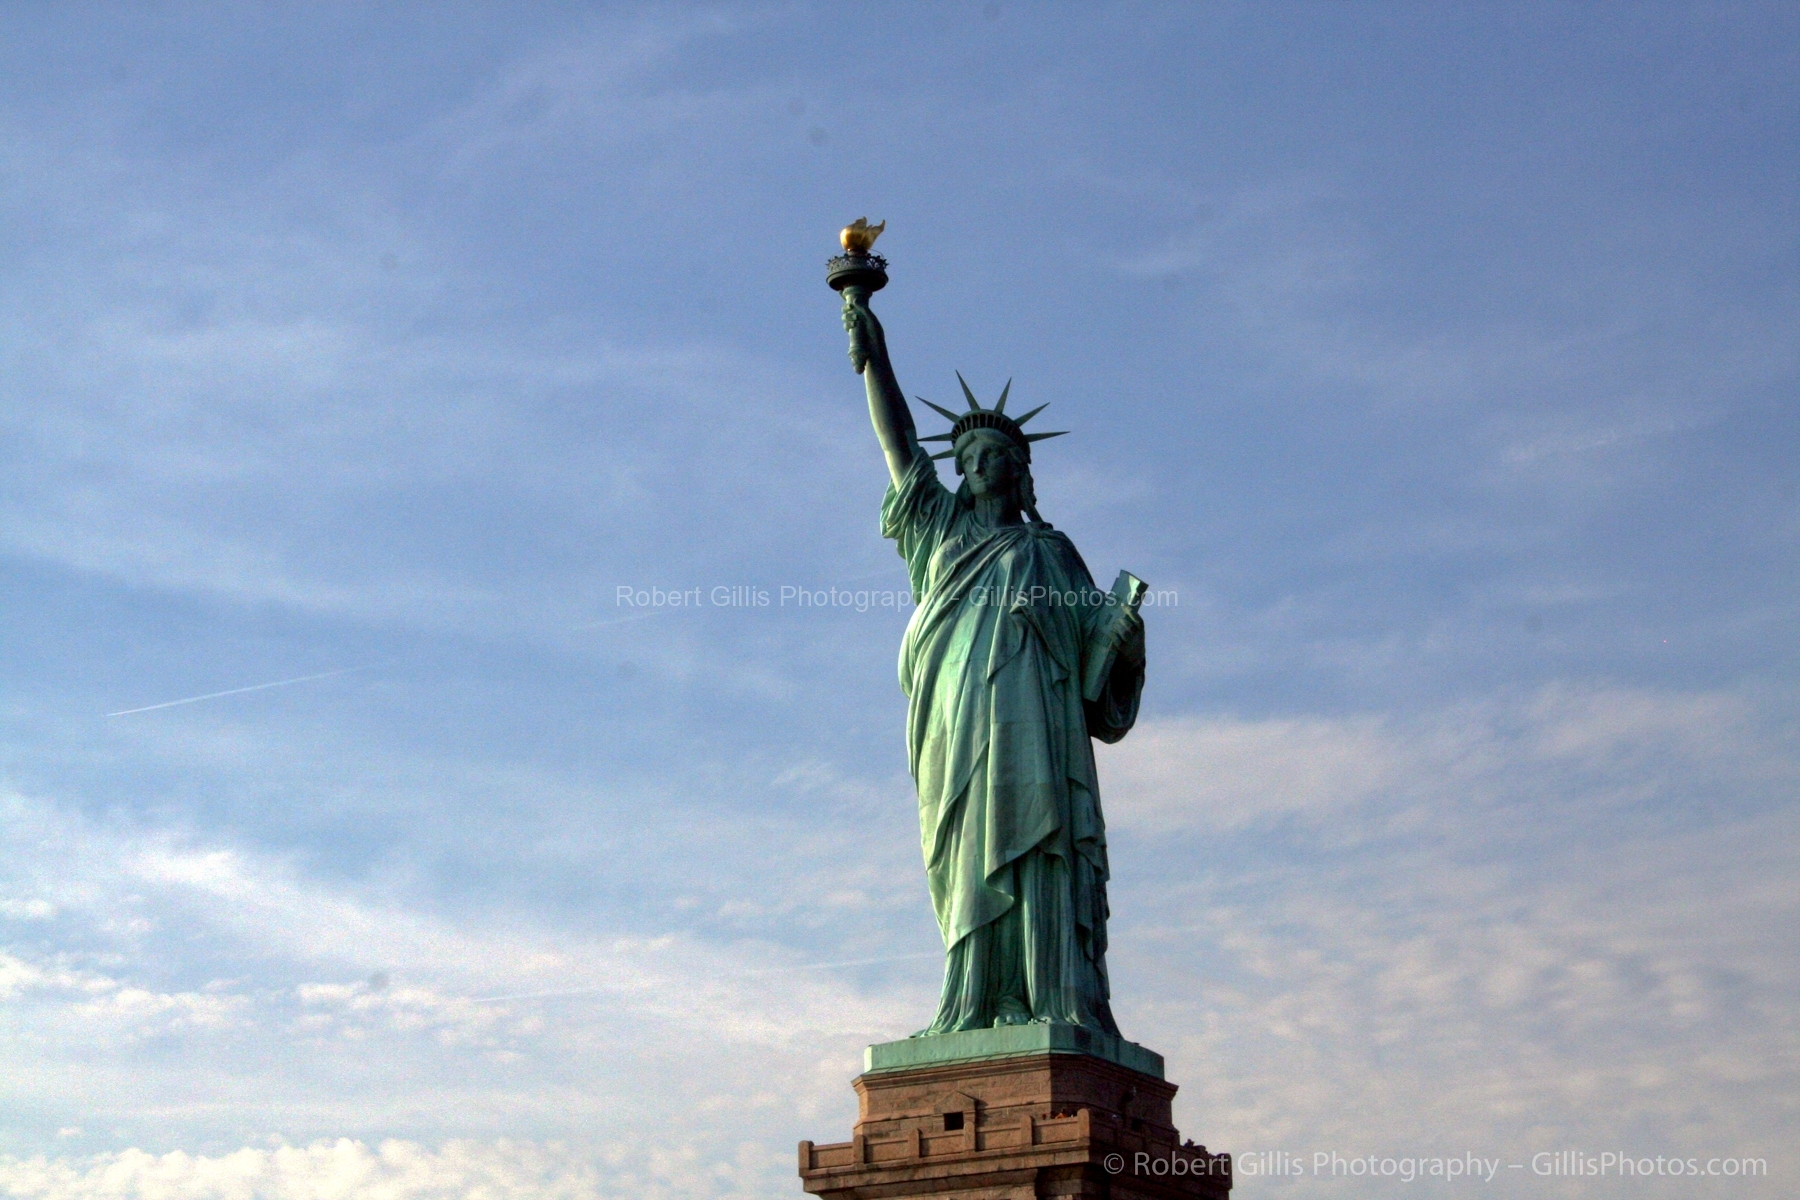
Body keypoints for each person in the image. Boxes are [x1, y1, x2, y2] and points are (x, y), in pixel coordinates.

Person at [842, 288, 1145, 1035]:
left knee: (1040, 839)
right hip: (957, 715)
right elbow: (899, 444)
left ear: (1018, 469)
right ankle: (976, 994)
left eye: (992, 456)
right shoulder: (937, 531)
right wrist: (875, 355)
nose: (976, 466)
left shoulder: (1051, 550)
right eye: (967, 457)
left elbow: (1094, 665)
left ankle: (1046, 994)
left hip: (1036, 720)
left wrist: (1122, 634)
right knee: (968, 844)